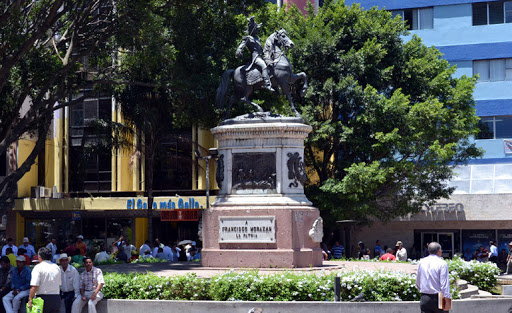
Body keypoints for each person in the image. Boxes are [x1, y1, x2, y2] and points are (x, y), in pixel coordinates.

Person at [235, 16, 275, 92]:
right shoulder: (248, 38)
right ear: (252, 29)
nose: (257, 30)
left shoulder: (258, 39)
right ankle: (267, 85)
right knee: (264, 66)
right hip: (256, 58)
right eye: (256, 29)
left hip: (261, 56)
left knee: (272, 64)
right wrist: (239, 51)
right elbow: (241, 46)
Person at [416, 242, 451, 312]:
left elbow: (418, 280)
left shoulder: (421, 262)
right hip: (439, 297)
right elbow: (444, 283)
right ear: (439, 251)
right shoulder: (442, 263)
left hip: (425, 296)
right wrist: (447, 299)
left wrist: (421, 290)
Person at [28, 247, 61, 313]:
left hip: (42, 299)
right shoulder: (57, 267)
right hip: (56, 298)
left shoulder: (38, 267)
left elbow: (34, 286)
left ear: (39, 257)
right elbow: (59, 284)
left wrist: (30, 299)